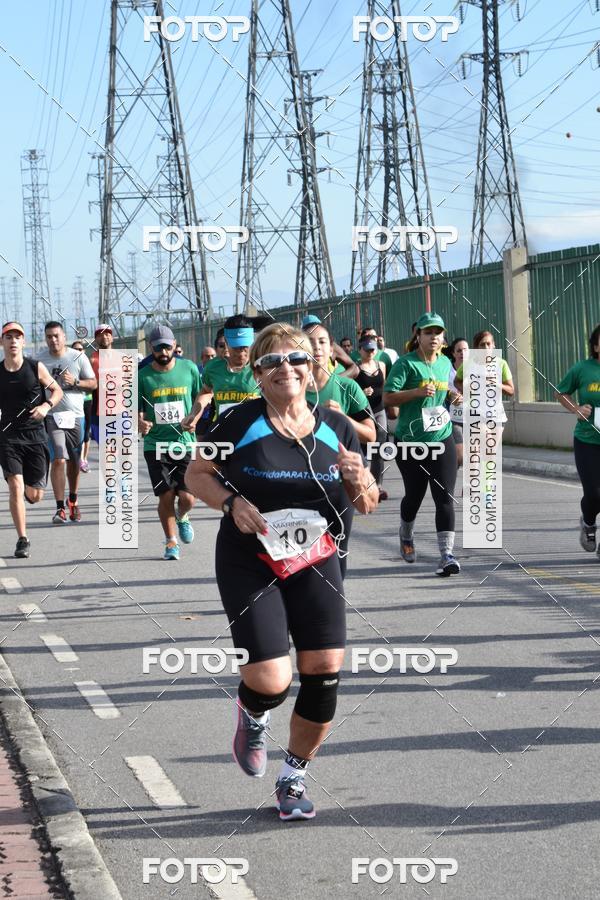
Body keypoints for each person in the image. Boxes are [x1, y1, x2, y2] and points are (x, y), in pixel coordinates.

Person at [184, 322, 378, 821]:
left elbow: (367, 503)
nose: (284, 368)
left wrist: (360, 479)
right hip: (250, 560)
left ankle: (293, 776)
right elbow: (196, 474)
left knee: (324, 670)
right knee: (272, 680)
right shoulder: (239, 422)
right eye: (271, 361)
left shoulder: (336, 426)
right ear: (257, 373)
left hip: (318, 561)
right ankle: (253, 713)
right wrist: (231, 504)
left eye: (295, 359)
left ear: (312, 368)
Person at [383, 312, 462, 576]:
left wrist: (453, 396)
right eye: (428, 332)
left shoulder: (445, 363)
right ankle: (406, 535)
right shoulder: (405, 364)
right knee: (414, 496)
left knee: (445, 497)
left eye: (438, 333)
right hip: (410, 442)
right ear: (418, 336)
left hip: (441, 437)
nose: (434, 337)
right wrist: (416, 392)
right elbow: (388, 398)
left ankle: (446, 555)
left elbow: (447, 389)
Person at [138, 325, 202, 560]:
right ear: (151, 348)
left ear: (174, 345)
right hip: (155, 444)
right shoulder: (142, 376)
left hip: (184, 442)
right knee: (165, 495)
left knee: (187, 498)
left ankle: (182, 516)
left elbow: (200, 398)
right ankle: (171, 542)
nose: (163, 352)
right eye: (158, 348)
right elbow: (135, 408)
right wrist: (139, 422)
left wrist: (195, 418)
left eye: (167, 347)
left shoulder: (189, 368)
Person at [0, 322, 63, 558]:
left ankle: (29, 492)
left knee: (35, 496)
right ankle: (22, 539)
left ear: (23, 342)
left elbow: (57, 391)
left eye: (17, 337)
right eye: (8, 337)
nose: (13, 341)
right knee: (15, 486)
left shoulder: (35, 367)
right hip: (9, 437)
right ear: (2, 342)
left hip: (35, 436)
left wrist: (46, 406)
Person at [37, 321, 97, 523]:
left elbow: (93, 384)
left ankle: (73, 500)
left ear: (64, 337)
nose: (53, 340)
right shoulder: (40, 360)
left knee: (73, 461)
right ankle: (59, 508)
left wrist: (76, 382)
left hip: (76, 417)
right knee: (58, 458)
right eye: (49, 337)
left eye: (56, 336)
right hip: (52, 416)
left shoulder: (77, 357)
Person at [556, 324, 600, 555]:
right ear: (596, 346)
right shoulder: (582, 369)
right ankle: (588, 523)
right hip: (587, 440)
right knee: (594, 493)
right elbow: (560, 392)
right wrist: (576, 409)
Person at [183, 315, 260, 427]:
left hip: (253, 432)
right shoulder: (213, 367)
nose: (241, 351)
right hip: (223, 431)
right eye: (236, 346)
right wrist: (194, 415)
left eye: (244, 346)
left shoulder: (262, 366)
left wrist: (261, 402)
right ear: (226, 343)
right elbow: (206, 391)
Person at [355, 336, 389, 500]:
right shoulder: (355, 368)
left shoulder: (381, 365)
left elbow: (385, 385)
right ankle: (362, 484)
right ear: (360, 350)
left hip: (379, 409)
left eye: (372, 350)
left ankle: (377, 486)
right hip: (363, 412)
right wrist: (362, 392)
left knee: (379, 447)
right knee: (362, 449)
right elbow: (350, 390)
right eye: (367, 350)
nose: (370, 353)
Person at [453, 330, 514, 417]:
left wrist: (496, 384)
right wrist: (466, 389)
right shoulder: (467, 365)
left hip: (495, 414)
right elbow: (456, 382)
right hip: (474, 413)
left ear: (493, 345)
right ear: (476, 348)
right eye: (482, 345)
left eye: (488, 344)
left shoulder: (501, 364)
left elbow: (511, 391)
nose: (486, 348)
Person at [89, 324, 114, 445]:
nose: (104, 337)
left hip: (121, 411)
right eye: (100, 334)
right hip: (98, 411)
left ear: (112, 337)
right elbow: (88, 385)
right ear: (95, 339)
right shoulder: (92, 360)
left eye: (107, 334)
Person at [446, 337, 468, 470]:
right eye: (459, 350)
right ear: (453, 353)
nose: (462, 353)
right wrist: (450, 395)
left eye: (465, 350)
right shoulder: (447, 369)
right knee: (460, 456)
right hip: (454, 419)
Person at [72, 340, 92, 473]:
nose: (78, 351)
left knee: (86, 432)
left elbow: (93, 383)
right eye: (75, 349)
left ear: (84, 351)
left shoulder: (87, 364)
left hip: (87, 401)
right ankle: (78, 459)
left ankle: (84, 459)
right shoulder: (68, 365)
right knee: (78, 431)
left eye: (80, 349)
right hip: (74, 403)